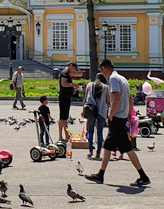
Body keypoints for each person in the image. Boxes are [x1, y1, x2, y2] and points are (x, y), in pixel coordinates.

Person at [84, 59, 150, 187]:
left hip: (117, 118)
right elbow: (130, 98)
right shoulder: (122, 78)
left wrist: (111, 115)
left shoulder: (113, 79)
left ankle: (143, 175)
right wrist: (129, 115)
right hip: (122, 116)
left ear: (104, 69)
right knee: (108, 146)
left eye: (102, 71)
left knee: (127, 148)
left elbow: (117, 97)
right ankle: (100, 174)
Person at [84, 74, 108, 160]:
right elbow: (108, 101)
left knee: (90, 132)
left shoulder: (89, 85)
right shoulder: (106, 87)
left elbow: (85, 99)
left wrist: (84, 110)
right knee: (100, 132)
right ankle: (98, 153)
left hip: (91, 111)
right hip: (101, 112)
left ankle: (90, 150)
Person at [58, 62, 82, 140]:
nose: (74, 71)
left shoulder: (67, 73)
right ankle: (60, 136)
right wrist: (73, 85)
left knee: (65, 118)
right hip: (64, 97)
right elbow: (63, 84)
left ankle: (66, 135)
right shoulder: (64, 73)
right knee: (62, 118)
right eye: (74, 69)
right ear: (71, 66)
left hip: (66, 98)